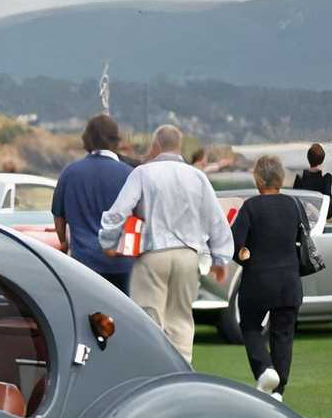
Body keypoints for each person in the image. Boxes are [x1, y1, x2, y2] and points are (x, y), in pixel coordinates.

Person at [99, 124, 234, 364]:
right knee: (181, 320)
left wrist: (108, 241)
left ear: (156, 145)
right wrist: (220, 258)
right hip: (188, 255)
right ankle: (182, 374)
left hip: (154, 253)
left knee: (149, 319)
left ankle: (153, 373)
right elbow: (216, 220)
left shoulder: (143, 173)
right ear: (179, 146)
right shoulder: (198, 176)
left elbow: (118, 212)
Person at [229, 155, 305, 401]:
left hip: (258, 281)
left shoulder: (251, 206)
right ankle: (278, 390)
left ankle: (264, 368)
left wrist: (244, 254)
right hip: (290, 281)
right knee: (283, 335)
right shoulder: (294, 205)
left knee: (250, 326)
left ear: (258, 179)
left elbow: (235, 243)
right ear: (281, 177)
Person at [52, 114, 134, 293]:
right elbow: (138, 218)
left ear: (87, 139)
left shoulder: (70, 173)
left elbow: (59, 216)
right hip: (122, 263)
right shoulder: (130, 174)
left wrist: (63, 243)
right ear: (116, 140)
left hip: (84, 263)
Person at [291, 143, 332, 208]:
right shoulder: (326, 179)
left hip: (303, 214)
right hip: (319, 214)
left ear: (308, 157)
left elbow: (294, 201)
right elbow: (328, 205)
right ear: (322, 160)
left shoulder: (300, 178)